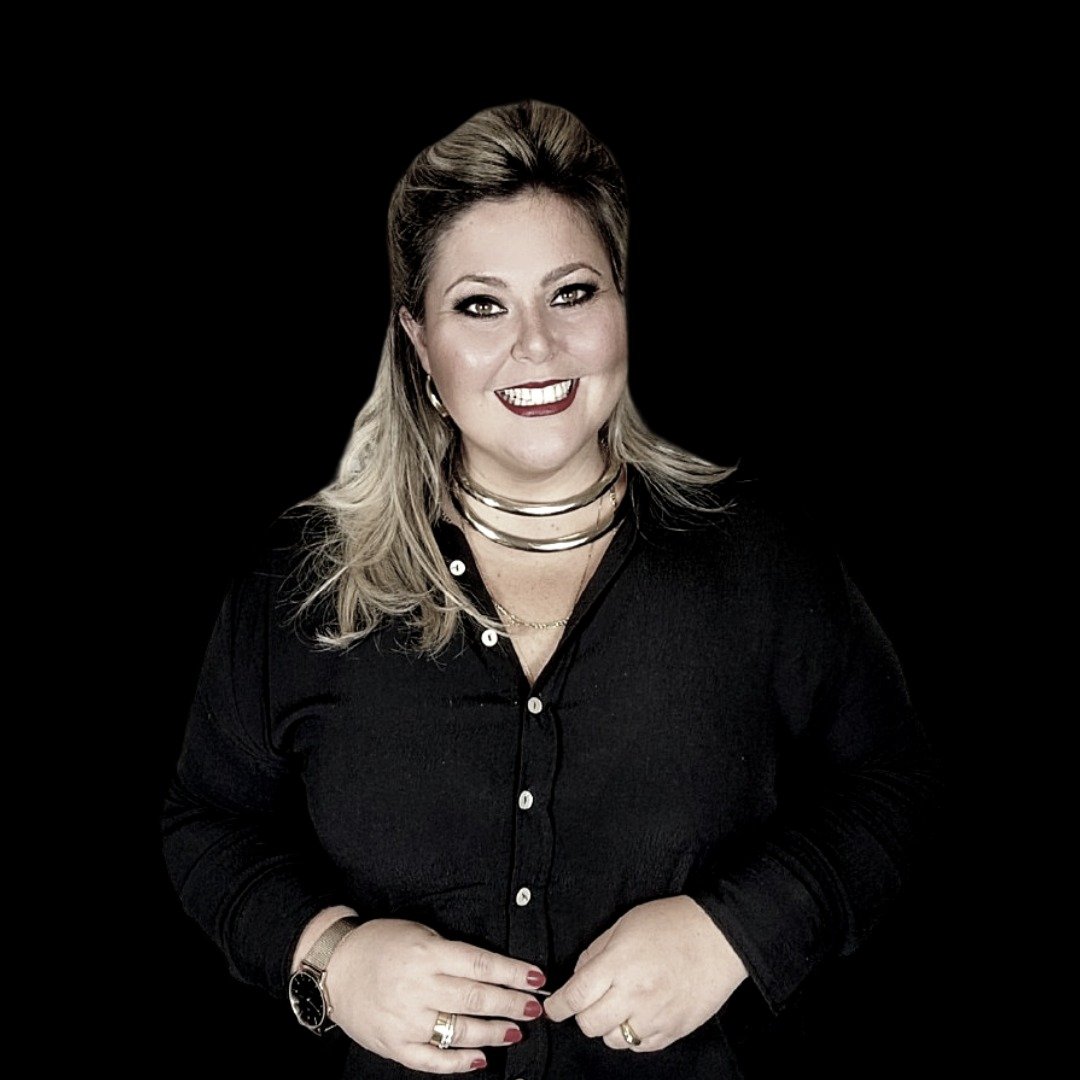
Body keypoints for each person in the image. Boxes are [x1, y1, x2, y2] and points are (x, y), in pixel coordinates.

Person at [161, 99, 942, 1079]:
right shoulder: (301, 585)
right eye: (480, 305)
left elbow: (894, 781)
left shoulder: (762, 559)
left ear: (621, 305)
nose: (536, 345)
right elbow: (204, 821)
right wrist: (331, 958)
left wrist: (734, 931)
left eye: (571, 293)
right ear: (418, 342)